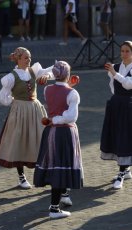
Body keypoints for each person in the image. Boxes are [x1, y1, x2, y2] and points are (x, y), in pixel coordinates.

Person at [0, 47, 53, 189]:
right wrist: (14, 101)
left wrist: (47, 77)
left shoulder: (33, 70)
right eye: (26, 58)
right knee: (19, 141)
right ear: (18, 59)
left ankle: (46, 172)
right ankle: (21, 177)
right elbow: (3, 98)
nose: (29, 60)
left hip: (35, 109)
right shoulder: (11, 77)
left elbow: (55, 70)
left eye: (29, 58)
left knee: (41, 138)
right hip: (20, 110)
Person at [33, 61, 83, 219]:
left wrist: (52, 120)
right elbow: (71, 116)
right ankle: (54, 208)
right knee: (62, 165)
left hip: (50, 132)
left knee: (55, 164)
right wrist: (55, 120)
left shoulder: (47, 89)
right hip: (65, 132)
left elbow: (58, 96)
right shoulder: (72, 94)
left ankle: (63, 196)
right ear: (68, 75)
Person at [101, 41, 132, 189]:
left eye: (127, 51)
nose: (124, 54)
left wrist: (114, 73)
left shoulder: (116, 70)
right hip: (117, 104)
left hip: (129, 106)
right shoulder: (116, 67)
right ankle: (125, 170)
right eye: (122, 51)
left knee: (125, 136)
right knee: (117, 135)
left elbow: (127, 84)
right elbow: (112, 87)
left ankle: (121, 172)